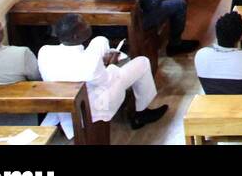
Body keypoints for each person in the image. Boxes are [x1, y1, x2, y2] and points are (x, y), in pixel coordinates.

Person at [38, 13, 168, 137]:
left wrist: (100, 64)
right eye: (84, 24)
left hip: (65, 100)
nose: (88, 24)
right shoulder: (90, 61)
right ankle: (141, 113)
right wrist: (110, 64)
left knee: (100, 40)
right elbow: (107, 79)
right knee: (142, 62)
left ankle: (109, 57)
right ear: (76, 37)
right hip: (93, 103)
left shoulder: (44, 52)